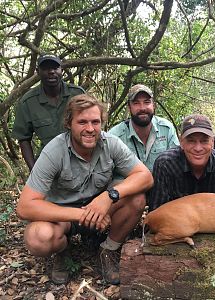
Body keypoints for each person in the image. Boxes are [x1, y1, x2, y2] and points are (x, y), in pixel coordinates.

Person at [16, 94, 153, 286]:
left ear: (102, 123)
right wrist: (80, 215)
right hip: (63, 217)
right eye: (82, 122)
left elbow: (145, 176)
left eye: (95, 122)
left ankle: (109, 249)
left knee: (137, 199)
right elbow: (24, 207)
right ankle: (62, 250)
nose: (90, 129)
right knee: (37, 238)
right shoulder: (55, 150)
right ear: (69, 123)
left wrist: (109, 196)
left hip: (101, 211)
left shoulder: (110, 143)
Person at [149, 114, 215, 211]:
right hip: (177, 223)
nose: (198, 148)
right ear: (181, 142)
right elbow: (157, 211)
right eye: (191, 141)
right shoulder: (165, 165)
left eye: (204, 141)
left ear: (212, 143)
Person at [12, 54, 85, 171]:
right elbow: (23, 138)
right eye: (46, 68)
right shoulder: (28, 102)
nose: (51, 72)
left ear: (62, 70)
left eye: (55, 68)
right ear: (38, 71)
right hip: (48, 161)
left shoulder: (77, 94)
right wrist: (34, 170)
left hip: (80, 159)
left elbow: (90, 125)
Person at [108, 84, 179, 172]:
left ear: (154, 105)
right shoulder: (114, 136)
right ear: (129, 107)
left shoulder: (166, 129)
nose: (142, 108)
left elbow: (177, 164)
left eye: (147, 102)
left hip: (161, 184)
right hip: (128, 184)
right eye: (136, 103)